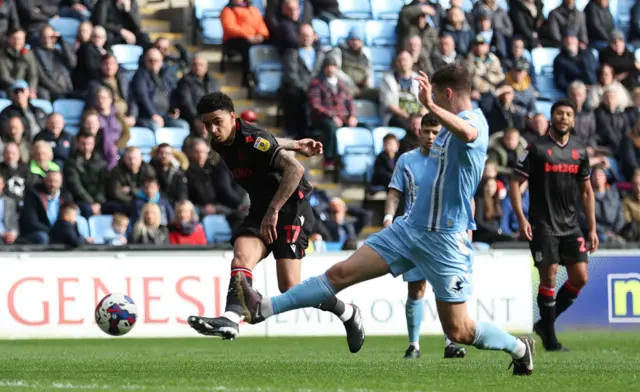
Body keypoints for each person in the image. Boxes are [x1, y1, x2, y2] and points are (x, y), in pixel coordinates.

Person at [193, 67, 536, 376]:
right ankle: (261, 309)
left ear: (446, 94)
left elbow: (471, 135)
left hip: (446, 239)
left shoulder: (474, 120)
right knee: (339, 274)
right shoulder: (440, 134)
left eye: (435, 96)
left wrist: (430, 106)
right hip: (409, 228)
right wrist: (292, 144)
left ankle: (520, 349)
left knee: (459, 331)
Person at [187, 92, 364, 352]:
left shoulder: (251, 137)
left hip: (291, 205)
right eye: (207, 124)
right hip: (261, 206)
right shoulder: (220, 142)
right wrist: (295, 144)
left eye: (217, 122)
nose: (213, 130)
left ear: (232, 117)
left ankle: (347, 312)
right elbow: (266, 143)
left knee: (290, 287)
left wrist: (274, 211)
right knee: (240, 259)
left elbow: (296, 170)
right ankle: (231, 318)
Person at [509, 99, 599, 352]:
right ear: (552, 117)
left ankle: (545, 324)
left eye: (568, 114)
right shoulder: (535, 148)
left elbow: (587, 192)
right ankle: (550, 338)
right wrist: (521, 217)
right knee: (548, 277)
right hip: (543, 224)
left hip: (571, 226)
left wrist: (591, 228)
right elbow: (515, 183)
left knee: (580, 278)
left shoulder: (580, 151)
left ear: (573, 119)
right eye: (559, 113)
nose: (564, 118)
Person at [382, 112, 466, 359]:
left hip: (445, 235)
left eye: (436, 132)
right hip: (415, 234)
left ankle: (451, 342)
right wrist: (388, 218)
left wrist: (466, 227)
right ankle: (414, 345)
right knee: (416, 289)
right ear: (419, 132)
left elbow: (463, 194)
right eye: (427, 132)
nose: (431, 137)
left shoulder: (451, 161)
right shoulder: (406, 160)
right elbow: (395, 191)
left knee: (447, 289)